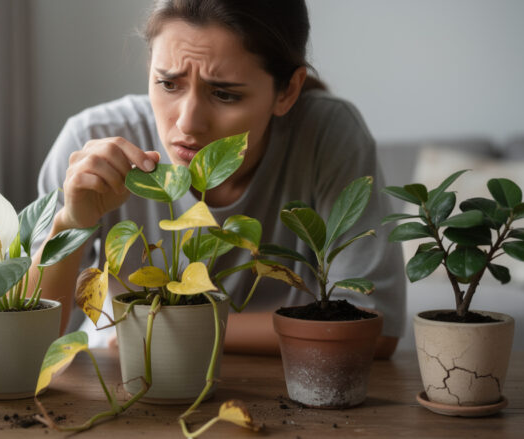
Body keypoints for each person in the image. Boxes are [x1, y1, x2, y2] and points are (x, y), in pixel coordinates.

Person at [28, 0, 406, 359]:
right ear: (150, 68)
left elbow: (373, 327)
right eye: (169, 84)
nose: (187, 123)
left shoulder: (327, 135)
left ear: (287, 91)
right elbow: (30, 340)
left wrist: (168, 329)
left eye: (224, 94)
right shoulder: (92, 142)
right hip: (129, 378)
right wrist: (71, 224)